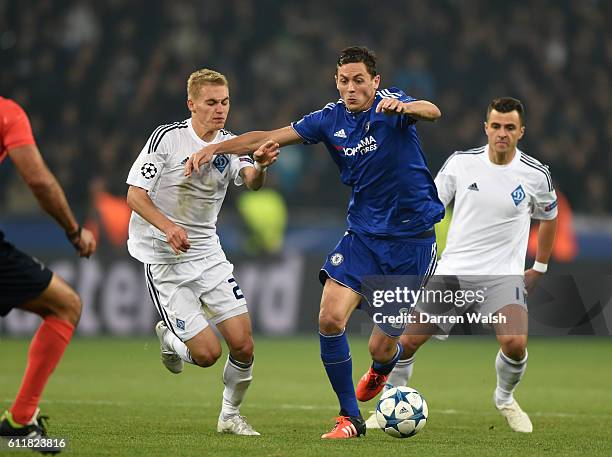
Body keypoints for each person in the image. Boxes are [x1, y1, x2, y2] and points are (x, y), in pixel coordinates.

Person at [184, 47, 443, 439]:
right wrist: (216, 147)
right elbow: (269, 136)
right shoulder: (329, 119)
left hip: (412, 242)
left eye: (359, 80)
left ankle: (381, 370)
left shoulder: (394, 104)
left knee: (381, 348)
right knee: (328, 318)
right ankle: (349, 418)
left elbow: (432, 110)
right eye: (344, 80)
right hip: (362, 236)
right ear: (336, 82)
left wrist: (404, 109)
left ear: (375, 81)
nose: (351, 87)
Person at [364, 97, 558, 433]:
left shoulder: (535, 174)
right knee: (406, 342)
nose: (502, 133)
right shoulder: (461, 164)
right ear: (486, 128)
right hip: (453, 271)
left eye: (509, 127)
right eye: (496, 126)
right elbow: (430, 206)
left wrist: (539, 266)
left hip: (502, 275)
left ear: (521, 131)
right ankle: (389, 404)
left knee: (515, 344)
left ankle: (505, 398)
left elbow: (550, 216)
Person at [126, 69, 278, 436]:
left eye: (224, 102)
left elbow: (252, 182)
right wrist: (169, 227)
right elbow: (134, 195)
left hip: (208, 255)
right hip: (163, 258)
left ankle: (230, 416)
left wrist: (260, 164)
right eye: (211, 102)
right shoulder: (167, 139)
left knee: (243, 345)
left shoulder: (229, 144)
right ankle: (169, 336)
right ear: (191, 104)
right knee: (207, 355)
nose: (219, 109)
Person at [0, 97, 97, 449]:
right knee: (66, 305)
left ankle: (21, 421)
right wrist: (74, 231)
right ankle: (21, 420)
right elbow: (38, 180)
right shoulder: (7, 114)